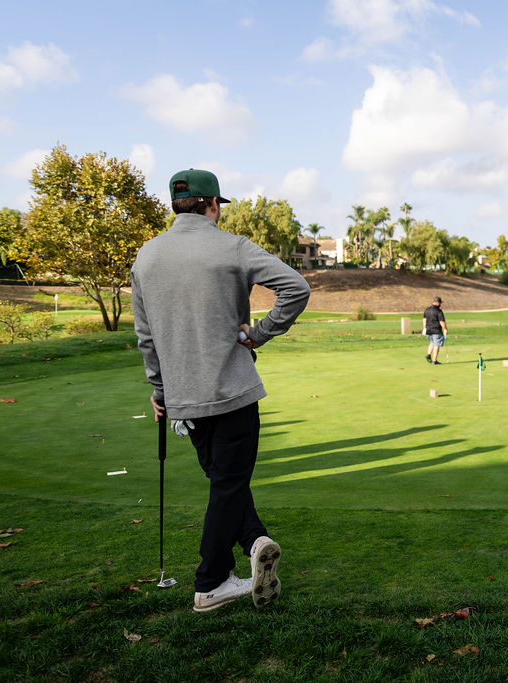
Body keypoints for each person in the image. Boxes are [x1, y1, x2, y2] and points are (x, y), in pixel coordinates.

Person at [131, 169, 310, 613]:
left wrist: (160, 390)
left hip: (184, 399)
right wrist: (260, 333)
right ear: (213, 205)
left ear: (176, 205)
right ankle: (211, 582)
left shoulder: (146, 257)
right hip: (232, 390)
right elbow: (296, 287)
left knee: (223, 481)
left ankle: (253, 539)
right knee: (228, 486)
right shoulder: (232, 247)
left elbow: (146, 338)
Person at [423, 296, 447, 364]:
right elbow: (441, 321)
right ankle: (434, 360)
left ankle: (428, 354)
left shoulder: (427, 309)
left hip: (428, 330)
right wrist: (445, 329)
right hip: (436, 330)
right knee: (437, 345)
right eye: (440, 303)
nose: (440, 304)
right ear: (437, 303)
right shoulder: (439, 311)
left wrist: (424, 328)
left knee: (432, 342)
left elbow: (424, 319)